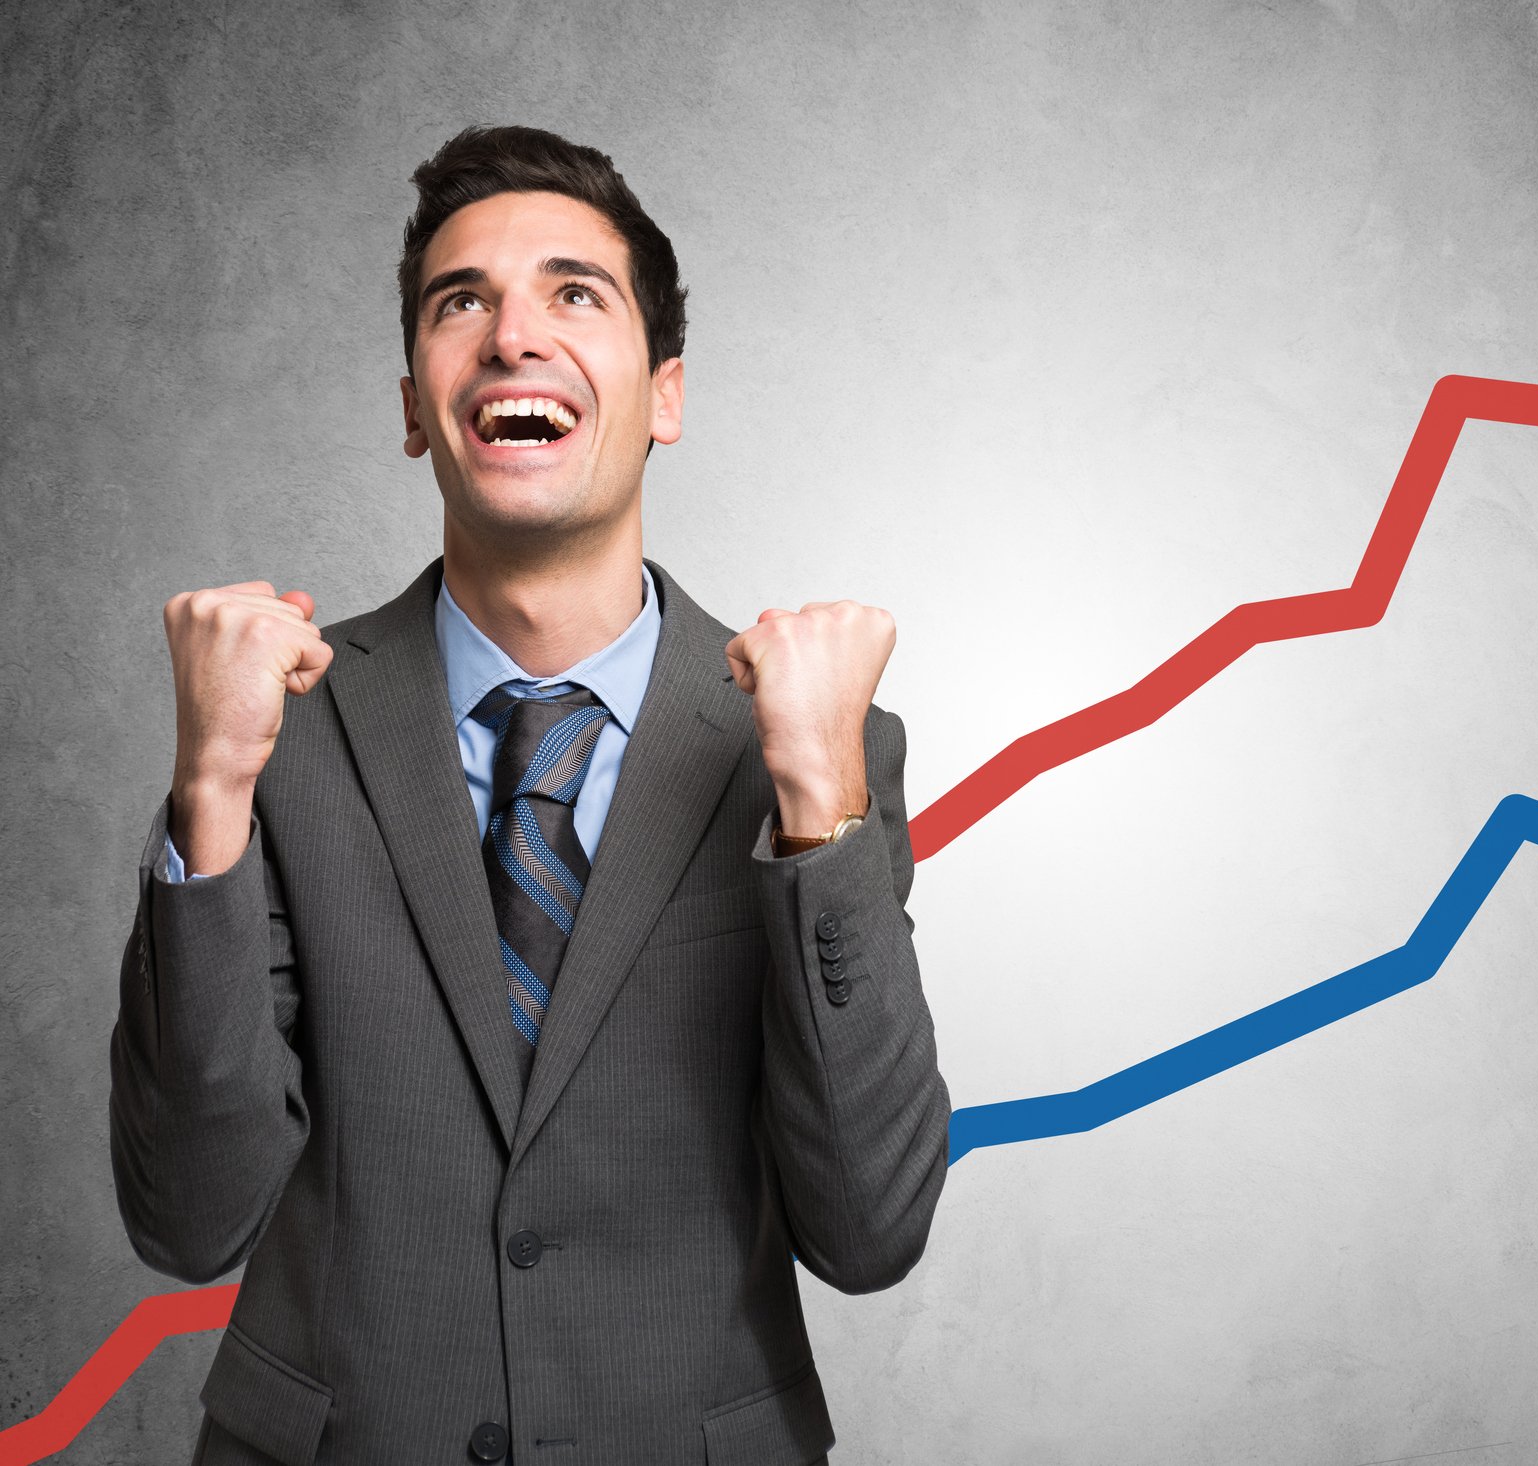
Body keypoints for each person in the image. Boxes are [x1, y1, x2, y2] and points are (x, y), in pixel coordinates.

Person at [106, 125, 950, 1466]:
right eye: (462, 302)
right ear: (409, 404)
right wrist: (210, 786)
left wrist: (817, 800)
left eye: (573, 293)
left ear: (664, 392)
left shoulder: (825, 747)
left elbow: (868, 1228)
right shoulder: (276, 735)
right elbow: (189, 1216)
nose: (512, 337)